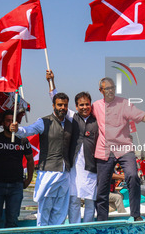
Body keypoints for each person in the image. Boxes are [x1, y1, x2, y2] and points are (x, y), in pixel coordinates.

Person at [92, 77, 145, 221]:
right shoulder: (95, 106)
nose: (111, 90)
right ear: (101, 91)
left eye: (113, 87)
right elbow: (82, 116)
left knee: (133, 176)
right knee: (102, 187)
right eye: (107, 88)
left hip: (124, 147)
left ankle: (136, 215)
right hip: (104, 149)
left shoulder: (124, 103)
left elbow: (143, 117)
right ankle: (101, 220)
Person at [10, 92, 73, 226]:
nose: (62, 108)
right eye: (60, 105)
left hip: (65, 172)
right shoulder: (44, 122)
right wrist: (17, 129)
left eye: (65, 105)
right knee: (44, 210)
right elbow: (28, 130)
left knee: (60, 212)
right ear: (53, 106)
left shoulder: (70, 124)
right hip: (48, 173)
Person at [46, 70, 98, 223]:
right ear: (76, 106)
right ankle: (75, 227)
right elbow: (55, 98)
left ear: (91, 105)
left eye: (87, 104)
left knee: (89, 201)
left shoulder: (97, 120)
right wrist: (51, 81)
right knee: (74, 200)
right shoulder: (72, 116)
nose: (84, 107)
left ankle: (87, 228)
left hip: (91, 167)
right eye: (81, 105)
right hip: (74, 166)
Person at [0, 110, 34, 229]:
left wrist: (29, 179)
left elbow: (30, 160)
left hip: (16, 186)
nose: (10, 123)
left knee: (12, 220)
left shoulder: (23, 140)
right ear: (3, 123)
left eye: (13, 121)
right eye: (8, 121)